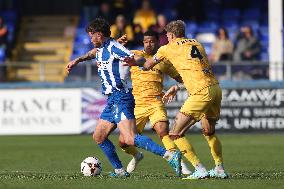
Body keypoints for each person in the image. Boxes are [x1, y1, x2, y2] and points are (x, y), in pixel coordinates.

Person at [65, 18, 181, 177]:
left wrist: (134, 61)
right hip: (112, 100)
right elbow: (93, 54)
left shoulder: (114, 48)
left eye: (92, 35)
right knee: (99, 136)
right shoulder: (100, 48)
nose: (90, 39)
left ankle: (169, 155)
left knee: (129, 138)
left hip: (122, 97)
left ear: (99, 35)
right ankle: (120, 171)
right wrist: (77, 60)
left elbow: (139, 59)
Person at [124, 20, 229, 179]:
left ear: (171, 35)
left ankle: (199, 169)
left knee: (175, 133)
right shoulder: (197, 43)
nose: (166, 38)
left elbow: (147, 65)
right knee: (209, 131)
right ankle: (219, 168)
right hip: (215, 88)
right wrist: (177, 87)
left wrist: (134, 62)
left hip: (200, 92)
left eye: (167, 35)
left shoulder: (168, 48)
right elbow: (194, 69)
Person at [120, 30, 193, 175]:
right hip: (136, 105)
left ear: (157, 42)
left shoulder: (162, 60)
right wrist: (118, 44)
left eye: (152, 41)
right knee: (124, 142)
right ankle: (136, 155)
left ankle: (179, 162)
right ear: (143, 43)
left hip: (155, 103)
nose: (149, 44)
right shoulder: (134, 55)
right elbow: (111, 59)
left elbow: (183, 78)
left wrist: (177, 87)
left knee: (163, 131)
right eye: (146, 41)